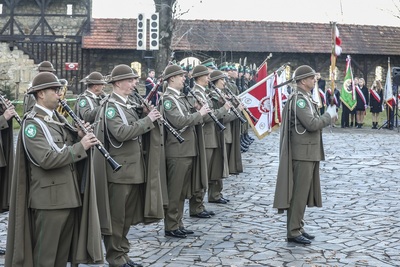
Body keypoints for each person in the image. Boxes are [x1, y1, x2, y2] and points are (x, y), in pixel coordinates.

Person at [6, 72, 103, 266]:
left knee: (61, 258)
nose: (60, 94)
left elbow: (66, 149)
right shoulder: (32, 124)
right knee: (46, 258)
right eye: (55, 90)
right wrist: (80, 145)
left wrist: (79, 136)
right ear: (41, 94)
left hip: (68, 196)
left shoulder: (57, 118)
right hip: (48, 202)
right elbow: (46, 159)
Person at [93, 64, 164, 267]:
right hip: (119, 172)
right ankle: (115, 258)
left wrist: (143, 114)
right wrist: (147, 120)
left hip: (132, 170)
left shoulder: (127, 104)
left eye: (134, 80)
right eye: (130, 80)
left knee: (125, 219)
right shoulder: (111, 106)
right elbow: (121, 133)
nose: (135, 83)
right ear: (117, 83)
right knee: (116, 218)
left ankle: (123, 253)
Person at [273, 65, 338, 245]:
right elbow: (311, 123)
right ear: (303, 81)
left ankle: (298, 226)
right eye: (311, 78)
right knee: (299, 194)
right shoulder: (299, 100)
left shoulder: (304, 98)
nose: (314, 80)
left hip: (307, 152)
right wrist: (328, 116)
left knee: (302, 193)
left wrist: (327, 117)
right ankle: (293, 231)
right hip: (302, 153)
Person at [160, 64, 210, 238]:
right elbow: (179, 121)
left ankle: (178, 222)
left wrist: (196, 110)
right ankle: (171, 225)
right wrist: (200, 114)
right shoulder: (167, 99)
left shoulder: (180, 98)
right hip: (177, 152)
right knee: (175, 191)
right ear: (171, 78)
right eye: (181, 76)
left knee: (182, 191)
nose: (184, 78)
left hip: (187, 149)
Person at [188, 65, 231, 219]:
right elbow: (205, 116)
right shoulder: (195, 93)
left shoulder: (203, 93)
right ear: (199, 77)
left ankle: (200, 204)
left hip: (210, 137)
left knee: (205, 175)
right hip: (204, 138)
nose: (208, 78)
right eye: (206, 76)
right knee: (202, 174)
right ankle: (196, 206)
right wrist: (224, 109)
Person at [209, 70, 244, 204]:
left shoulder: (222, 94)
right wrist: (238, 111)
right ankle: (215, 193)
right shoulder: (214, 96)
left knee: (222, 163)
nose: (225, 82)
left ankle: (218, 192)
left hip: (226, 133)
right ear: (216, 81)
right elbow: (223, 117)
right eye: (222, 80)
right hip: (220, 133)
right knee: (218, 164)